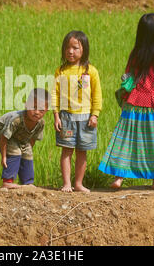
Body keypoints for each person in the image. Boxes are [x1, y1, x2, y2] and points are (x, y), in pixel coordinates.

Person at [99, 13, 154, 190]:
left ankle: (119, 178)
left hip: (133, 103)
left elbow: (128, 75)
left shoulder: (136, 53)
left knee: (127, 140)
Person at [52, 31, 102, 193]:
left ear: (84, 50)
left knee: (82, 151)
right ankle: (67, 184)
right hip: (66, 117)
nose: (70, 51)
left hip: (86, 118)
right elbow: (55, 94)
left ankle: (78, 183)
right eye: (67, 48)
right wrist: (56, 116)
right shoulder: (60, 71)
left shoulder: (91, 71)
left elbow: (97, 94)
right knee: (66, 150)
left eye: (75, 48)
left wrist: (95, 114)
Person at [0, 88, 50, 189]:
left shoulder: (40, 123)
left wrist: (26, 152)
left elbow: (32, 140)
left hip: (20, 136)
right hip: (2, 131)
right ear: (26, 105)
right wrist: (4, 156)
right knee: (15, 152)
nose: (37, 112)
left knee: (27, 153)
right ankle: (7, 181)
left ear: (47, 110)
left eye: (41, 110)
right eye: (33, 107)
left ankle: (27, 182)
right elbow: (4, 138)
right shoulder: (16, 120)